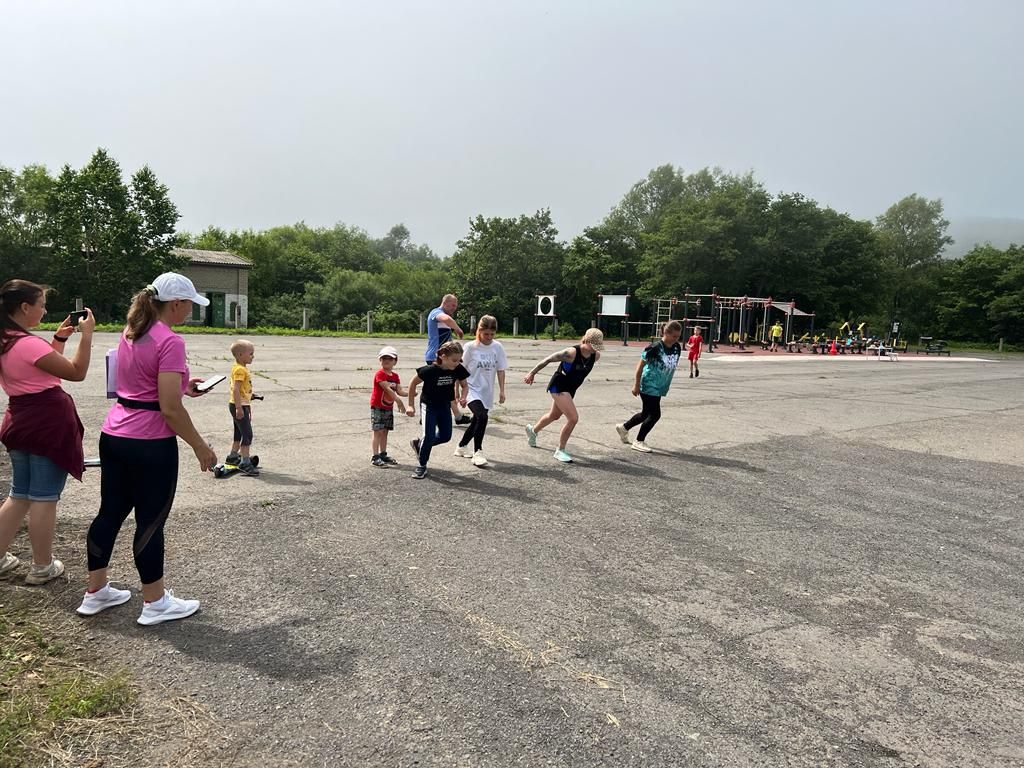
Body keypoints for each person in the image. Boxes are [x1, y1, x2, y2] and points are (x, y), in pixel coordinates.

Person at [77, 273, 217, 625]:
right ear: (176, 304)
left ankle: (96, 592)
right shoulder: (170, 340)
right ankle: (154, 602)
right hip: (150, 444)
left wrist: (187, 384)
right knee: (150, 521)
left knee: (109, 513)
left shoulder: (132, 332)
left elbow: (141, 384)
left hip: (115, 434)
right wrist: (200, 445)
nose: (191, 312)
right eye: (189, 305)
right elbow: (169, 407)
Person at [0, 280, 94, 585]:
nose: (45, 310)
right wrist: (87, 337)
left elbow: (38, 368)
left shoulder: (7, 341)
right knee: (44, 498)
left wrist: (58, 339)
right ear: (25, 307)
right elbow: (76, 372)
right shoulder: (28, 343)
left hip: (19, 421)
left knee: (20, 494)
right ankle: (42, 566)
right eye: (41, 304)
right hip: (47, 424)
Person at [523, 328, 604, 463]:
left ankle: (533, 430)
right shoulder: (571, 353)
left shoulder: (595, 356)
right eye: (593, 345)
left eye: (598, 346)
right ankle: (560, 450)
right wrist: (531, 373)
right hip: (559, 386)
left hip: (571, 389)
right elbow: (548, 359)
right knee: (573, 418)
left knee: (554, 415)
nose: (595, 349)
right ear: (587, 341)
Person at [616, 320, 683, 453]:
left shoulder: (677, 347)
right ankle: (639, 441)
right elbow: (640, 366)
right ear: (666, 333)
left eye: (678, 336)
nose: (676, 339)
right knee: (655, 414)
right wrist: (636, 384)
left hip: (661, 386)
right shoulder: (654, 348)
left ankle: (624, 427)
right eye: (674, 336)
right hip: (648, 384)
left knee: (645, 413)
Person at [406, 340, 469, 480]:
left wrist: (463, 397)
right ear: (443, 356)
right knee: (429, 436)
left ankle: (419, 444)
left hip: (444, 406)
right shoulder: (430, 370)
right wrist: (411, 405)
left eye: (459, 360)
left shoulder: (457, 368)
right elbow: (412, 384)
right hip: (429, 406)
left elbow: (465, 385)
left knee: (445, 436)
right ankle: (422, 465)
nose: (457, 363)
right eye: (454, 360)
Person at [453, 316, 507, 467]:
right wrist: (456, 390)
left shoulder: (497, 347)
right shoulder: (471, 347)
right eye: (486, 334)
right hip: (470, 388)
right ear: (479, 331)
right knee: (482, 417)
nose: (489, 337)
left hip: (486, 391)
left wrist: (502, 391)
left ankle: (461, 447)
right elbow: (459, 369)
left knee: (477, 420)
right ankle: (478, 452)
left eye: (492, 334)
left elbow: (501, 370)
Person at [424, 294, 469, 425]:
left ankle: (457, 416)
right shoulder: (436, 313)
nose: (455, 308)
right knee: (437, 388)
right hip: (436, 357)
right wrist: (458, 329)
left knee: (446, 387)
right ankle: (428, 414)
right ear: (445, 303)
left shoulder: (446, 319)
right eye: (453, 305)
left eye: (456, 305)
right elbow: (446, 318)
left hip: (446, 358)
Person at [370, 345, 409, 467]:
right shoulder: (380, 374)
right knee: (378, 431)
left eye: (390, 358)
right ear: (380, 360)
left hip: (388, 407)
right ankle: (375, 457)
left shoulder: (395, 376)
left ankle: (383, 454)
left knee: (385, 431)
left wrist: (411, 393)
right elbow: (387, 389)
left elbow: (399, 391)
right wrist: (399, 401)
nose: (386, 360)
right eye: (384, 358)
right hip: (378, 407)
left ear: (395, 361)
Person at [225, 339, 259, 476]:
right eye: (250, 354)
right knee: (247, 435)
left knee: (238, 433)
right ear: (240, 355)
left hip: (237, 403)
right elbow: (236, 390)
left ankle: (233, 457)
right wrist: (239, 408)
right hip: (240, 406)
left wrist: (250, 395)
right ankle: (245, 463)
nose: (253, 356)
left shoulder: (238, 368)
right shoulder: (240, 370)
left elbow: (240, 389)